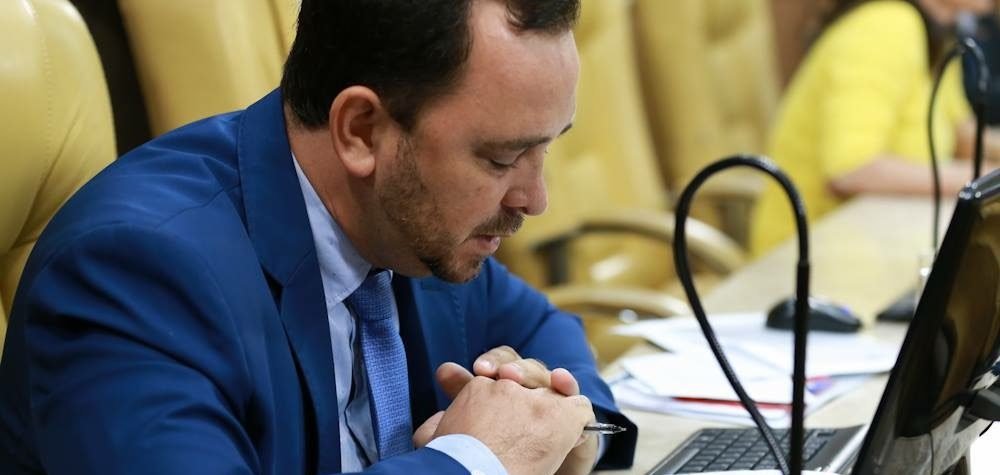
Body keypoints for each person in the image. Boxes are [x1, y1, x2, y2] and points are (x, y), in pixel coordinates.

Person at [0, 1, 637, 474]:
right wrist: (472, 462)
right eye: (501, 159)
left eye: (546, 149)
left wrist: (568, 430)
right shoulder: (135, 270)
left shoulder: (414, 223)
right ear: (361, 130)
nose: (534, 199)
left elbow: (546, 333)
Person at [751, 0, 997, 254]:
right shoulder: (886, 26)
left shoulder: (939, 32)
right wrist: (982, 181)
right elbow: (850, 170)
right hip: (811, 255)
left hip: (882, 237)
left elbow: (962, 133)